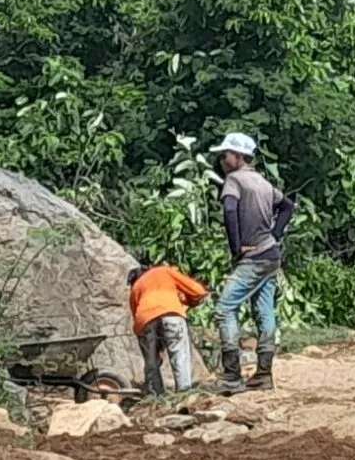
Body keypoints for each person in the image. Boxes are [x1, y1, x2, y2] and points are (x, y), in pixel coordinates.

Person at [209, 132, 296, 393]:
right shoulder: (262, 182)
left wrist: (236, 249)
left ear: (237, 157)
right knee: (264, 310)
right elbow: (288, 206)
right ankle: (264, 373)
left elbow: (229, 211)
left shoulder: (234, 181)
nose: (222, 161)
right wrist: (275, 234)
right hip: (271, 255)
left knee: (224, 309)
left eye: (225, 155)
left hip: (253, 257)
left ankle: (232, 374)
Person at [127, 262, 208, 396]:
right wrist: (189, 301)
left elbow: (137, 319)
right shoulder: (164, 271)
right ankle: (184, 394)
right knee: (179, 354)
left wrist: (154, 349)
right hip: (171, 314)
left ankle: (155, 396)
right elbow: (198, 291)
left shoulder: (135, 288)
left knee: (151, 362)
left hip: (145, 321)